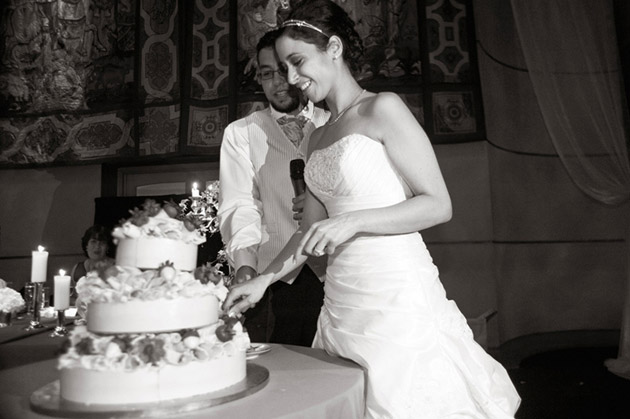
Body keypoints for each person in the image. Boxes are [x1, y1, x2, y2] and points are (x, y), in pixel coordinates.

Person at [224, 1, 521, 418]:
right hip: (343, 302)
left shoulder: (384, 108)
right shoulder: (316, 137)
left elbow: (438, 205)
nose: (291, 79)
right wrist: (263, 281)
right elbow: (307, 233)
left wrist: (352, 221)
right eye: (282, 68)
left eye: (297, 62)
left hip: (396, 293)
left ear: (334, 48)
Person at [218, 29, 330, 346]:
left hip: (335, 271)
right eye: (267, 75)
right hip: (275, 279)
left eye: (283, 71)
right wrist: (245, 267)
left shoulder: (333, 123)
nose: (278, 83)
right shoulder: (241, 133)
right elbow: (240, 205)